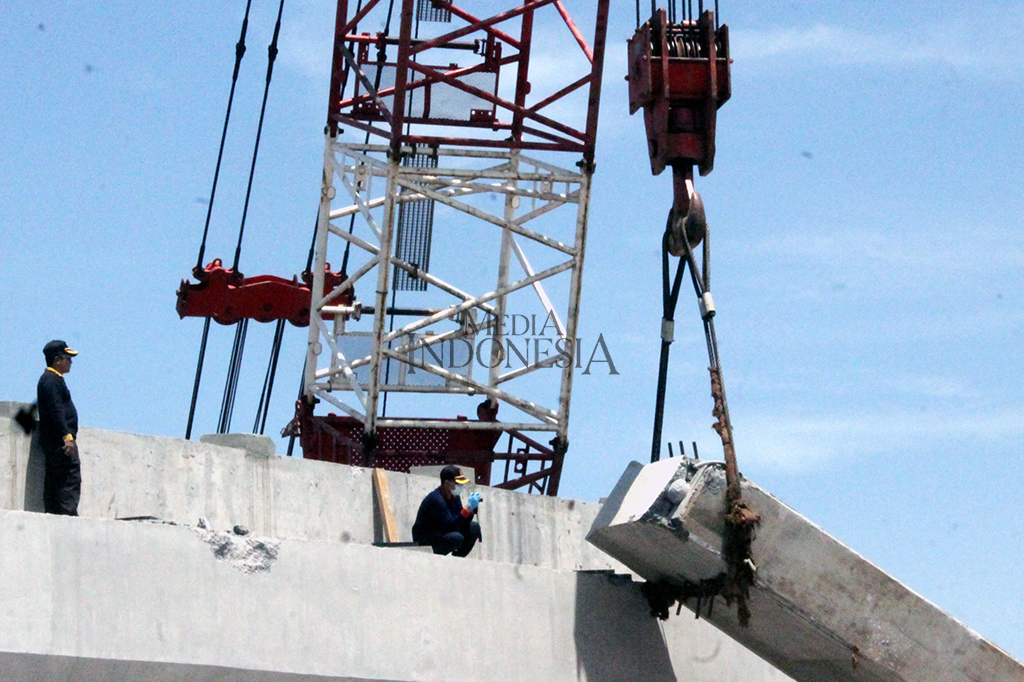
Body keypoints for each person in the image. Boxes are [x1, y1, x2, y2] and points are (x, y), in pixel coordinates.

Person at [37, 340, 81, 516]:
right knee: (68, 479)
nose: (70, 362)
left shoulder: (54, 380)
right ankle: (66, 516)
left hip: (56, 441)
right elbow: (56, 411)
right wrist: (67, 436)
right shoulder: (50, 381)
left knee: (58, 481)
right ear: (57, 360)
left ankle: (58, 514)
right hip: (59, 443)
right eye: (67, 358)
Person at [412, 464, 482, 556]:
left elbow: (461, 522)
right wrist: (467, 509)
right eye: (458, 483)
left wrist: (471, 510)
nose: (461, 486)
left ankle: (458, 558)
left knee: (474, 527)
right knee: (456, 537)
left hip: (442, 532)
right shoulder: (436, 499)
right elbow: (451, 525)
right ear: (447, 484)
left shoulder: (455, 497)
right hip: (426, 538)